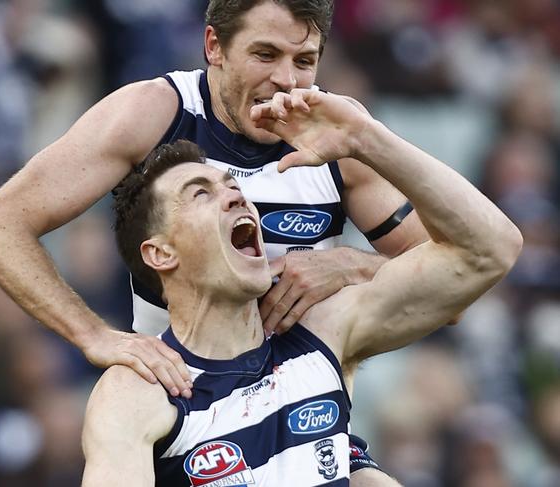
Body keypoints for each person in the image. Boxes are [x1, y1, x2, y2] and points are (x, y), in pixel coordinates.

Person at [0, 0, 428, 483]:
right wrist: (94, 335)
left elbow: (447, 274)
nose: (287, 80)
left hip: (306, 420)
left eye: (304, 61)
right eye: (265, 55)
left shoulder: (336, 137)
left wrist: (349, 266)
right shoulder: (154, 114)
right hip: (189, 424)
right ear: (214, 46)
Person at [81, 87, 522, 485]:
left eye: (232, 186)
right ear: (161, 254)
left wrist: (368, 140)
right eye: (201, 194)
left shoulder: (321, 330)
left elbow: (491, 249)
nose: (236, 197)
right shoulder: (140, 390)